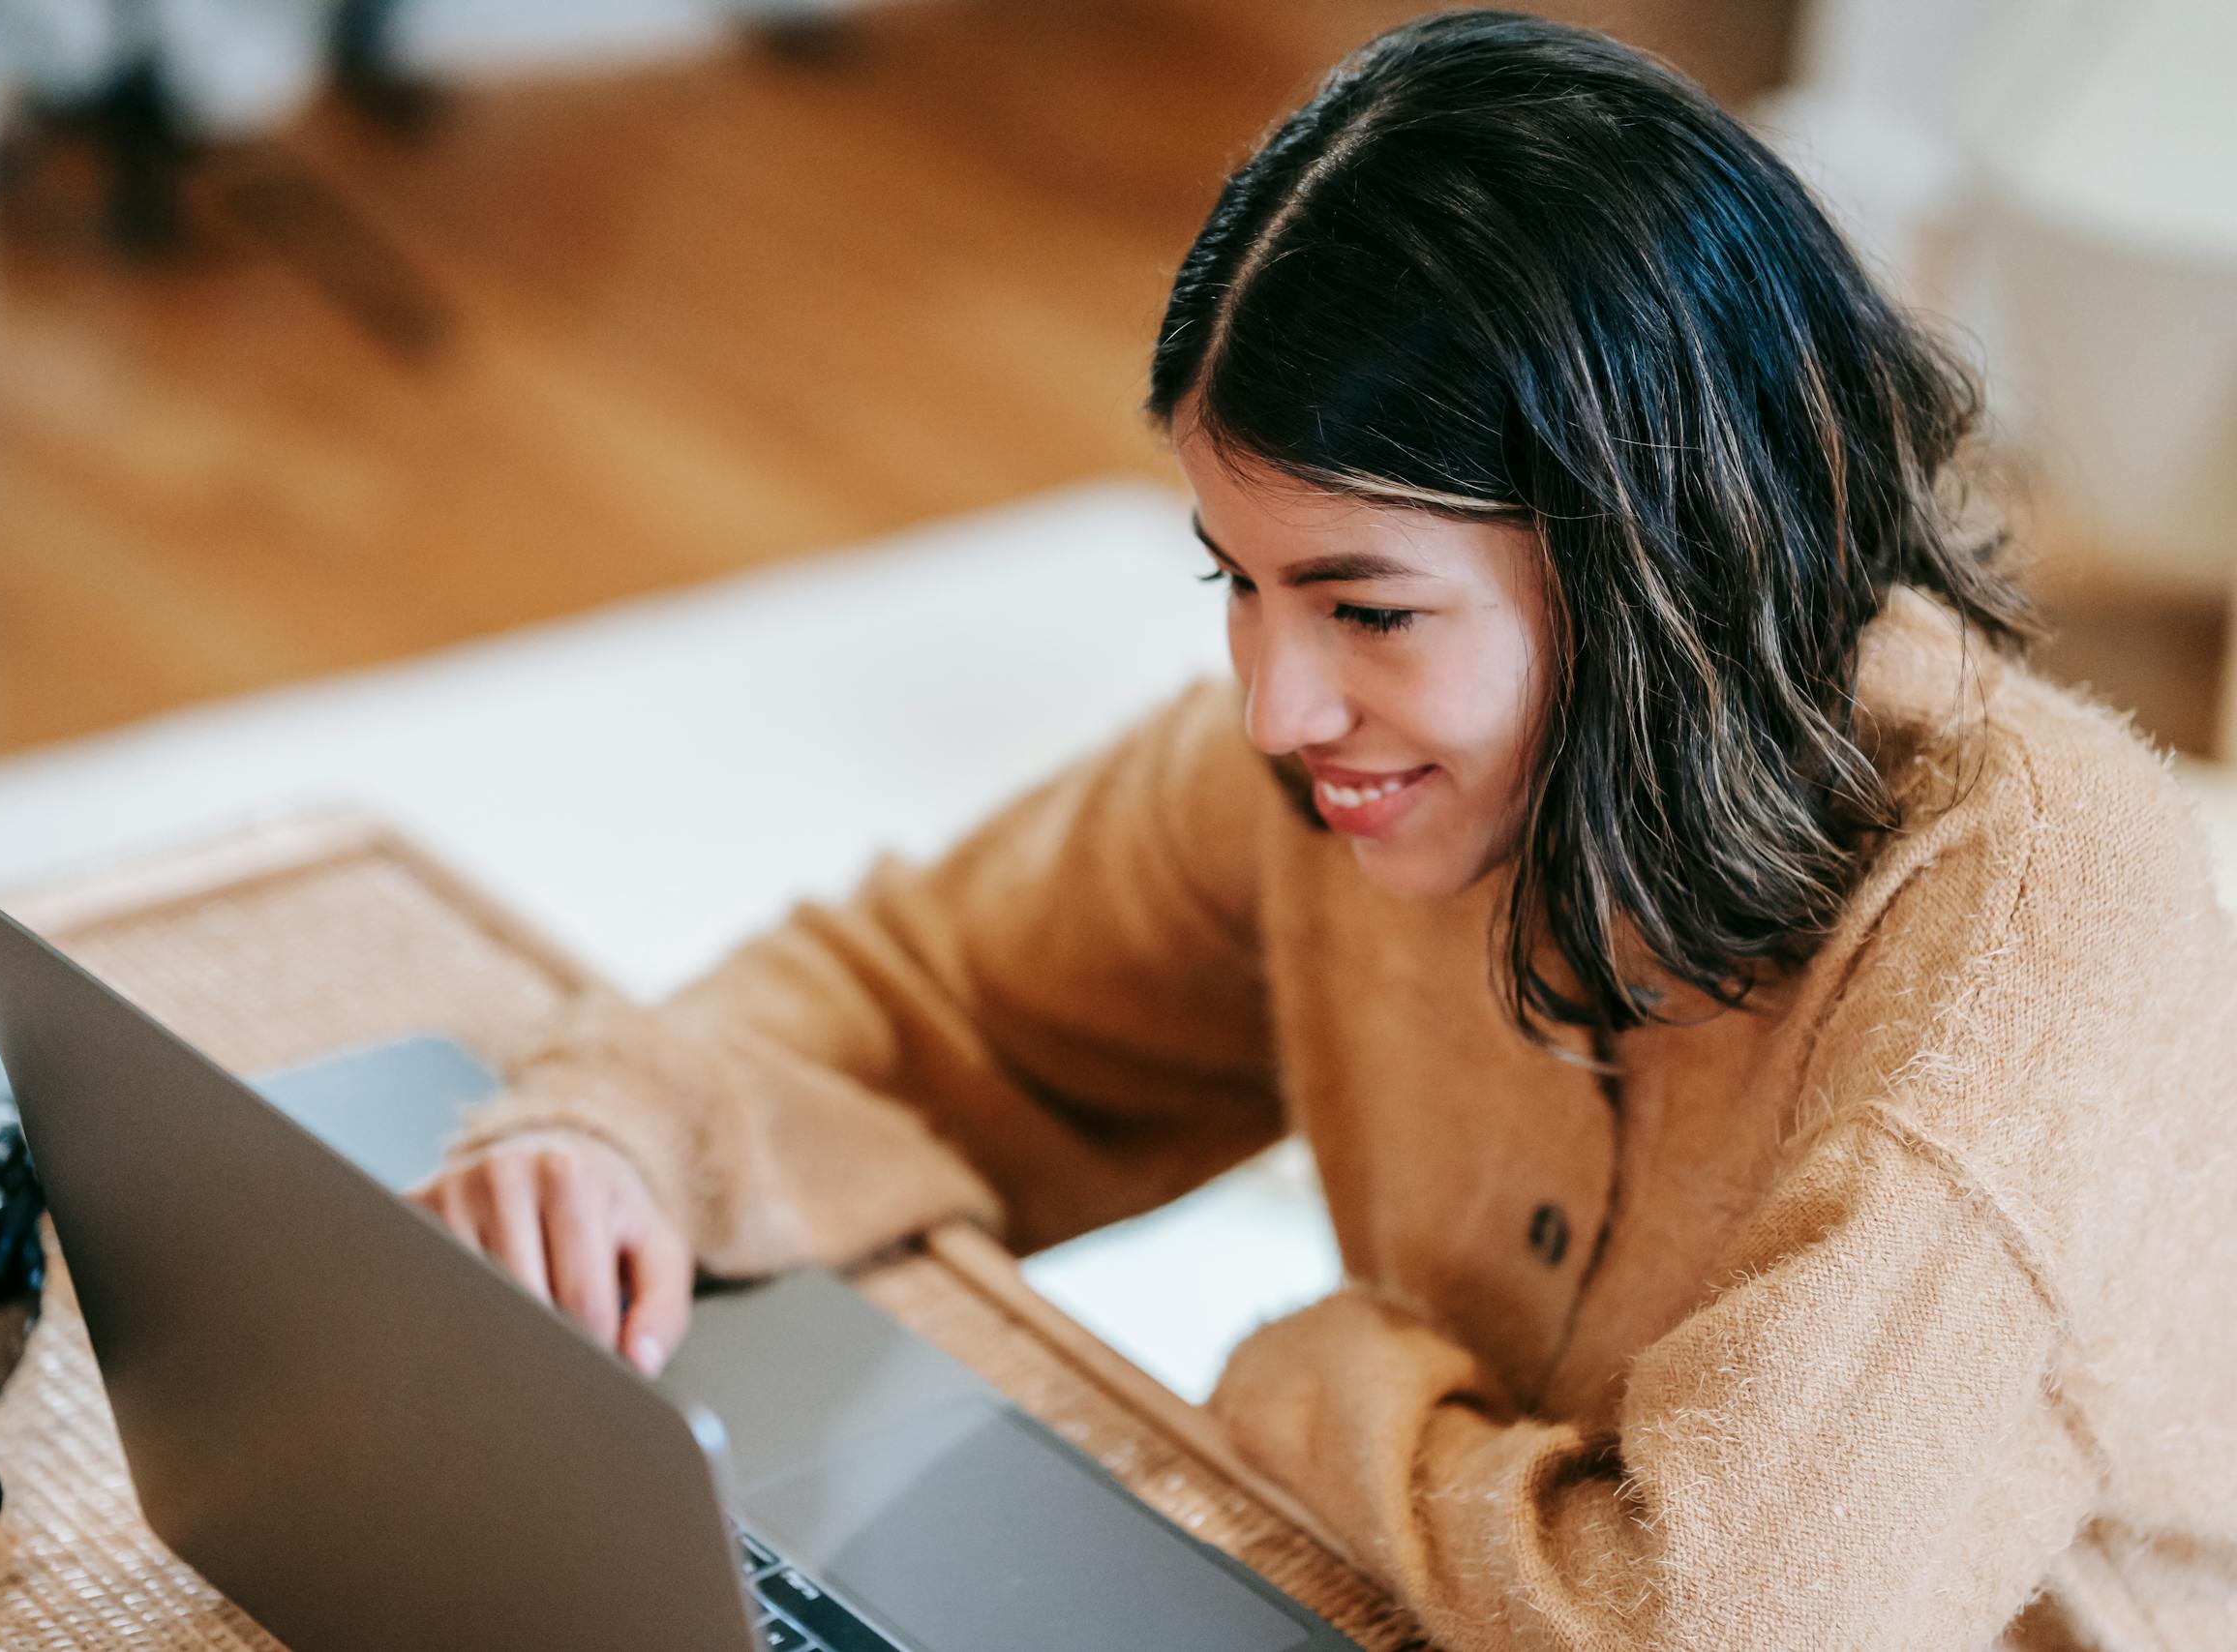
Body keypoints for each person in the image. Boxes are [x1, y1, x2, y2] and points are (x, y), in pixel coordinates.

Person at [410, 12, 2237, 1648]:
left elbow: (1705, 1627)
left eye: (1366, 610)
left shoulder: (2033, 911)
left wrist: (1316, 1387)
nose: (1276, 709)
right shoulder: (1359, 768)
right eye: (1240, 582)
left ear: (1658, 566)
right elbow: (926, 996)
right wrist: (623, 1130)